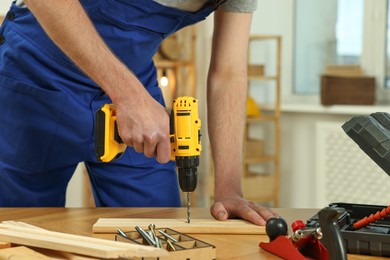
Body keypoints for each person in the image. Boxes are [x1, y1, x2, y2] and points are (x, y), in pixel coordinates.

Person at [0, 0, 276, 225]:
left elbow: (228, 73)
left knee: (158, 227)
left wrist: (229, 189)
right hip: (38, 72)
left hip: (135, 86)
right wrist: (128, 95)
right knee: (22, 230)